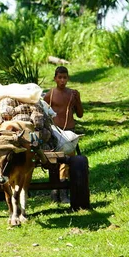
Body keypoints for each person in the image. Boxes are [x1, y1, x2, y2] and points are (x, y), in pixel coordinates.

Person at [44, 66, 84, 203]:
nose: (62, 80)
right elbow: (44, 113)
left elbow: (80, 114)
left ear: (68, 78)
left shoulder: (73, 94)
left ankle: (64, 192)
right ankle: (55, 192)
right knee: (53, 161)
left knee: (67, 163)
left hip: (70, 132)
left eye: (65, 77)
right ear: (55, 78)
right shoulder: (50, 94)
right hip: (55, 132)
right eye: (59, 77)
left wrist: (77, 100)